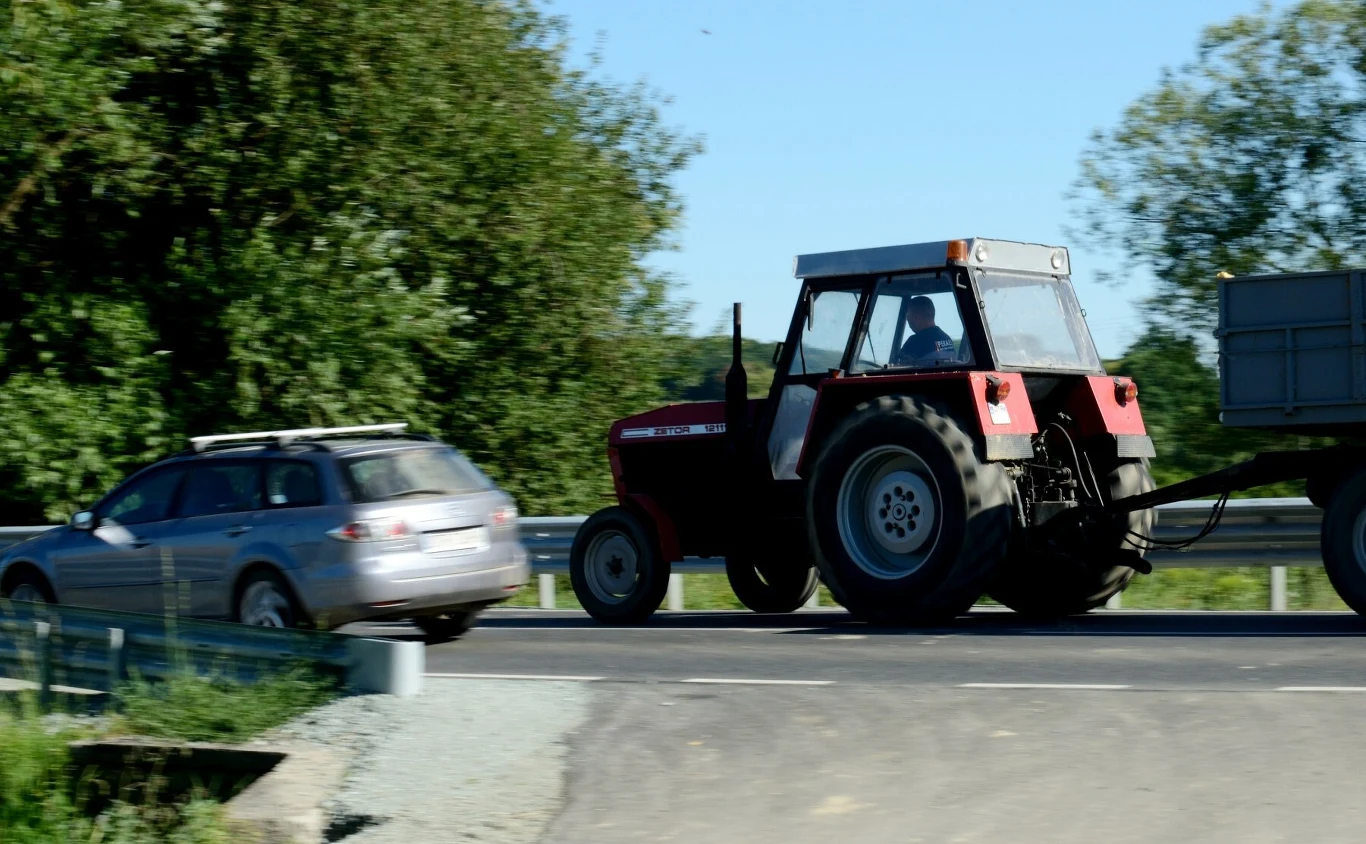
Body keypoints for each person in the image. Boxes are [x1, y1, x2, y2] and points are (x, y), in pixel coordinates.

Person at [898, 296, 955, 363]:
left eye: (908, 315)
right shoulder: (947, 339)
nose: (907, 319)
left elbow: (899, 368)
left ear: (916, 317)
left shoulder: (914, 342)